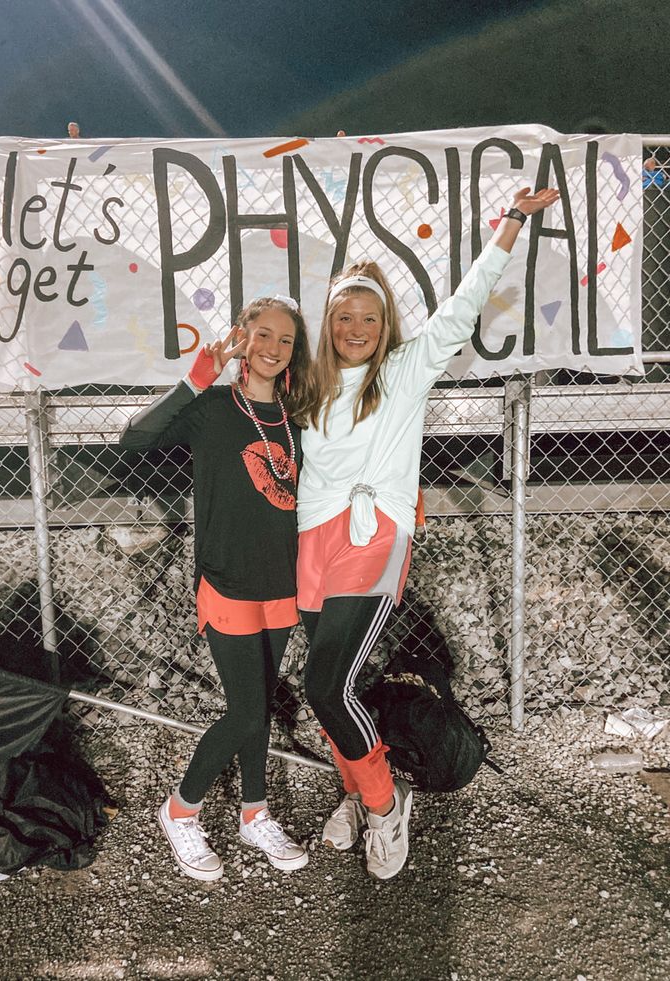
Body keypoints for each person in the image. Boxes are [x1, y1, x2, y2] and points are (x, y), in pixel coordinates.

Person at [297, 185, 560, 880]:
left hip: (373, 535)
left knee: (326, 684)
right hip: (311, 547)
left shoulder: (404, 372)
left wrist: (509, 225)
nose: (356, 327)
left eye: (368, 318)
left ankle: (386, 807)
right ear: (330, 323)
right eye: (344, 316)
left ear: (384, 327)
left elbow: (462, 309)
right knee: (332, 683)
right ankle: (355, 791)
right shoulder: (311, 383)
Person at [119, 295, 314, 881]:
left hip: (283, 582)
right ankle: (181, 809)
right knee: (248, 711)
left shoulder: (297, 419)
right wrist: (191, 379)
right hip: (228, 583)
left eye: (286, 340)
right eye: (263, 335)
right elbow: (134, 439)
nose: (274, 348)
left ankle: (254, 812)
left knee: (259, 702)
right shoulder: (212, 408)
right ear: (241, 338)